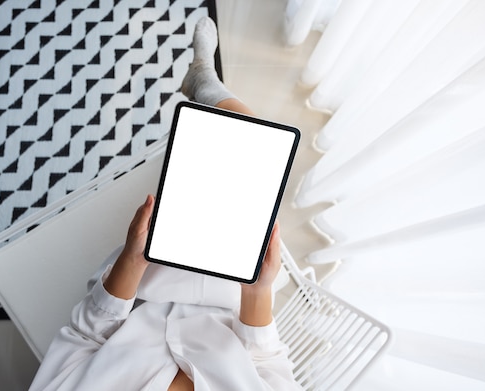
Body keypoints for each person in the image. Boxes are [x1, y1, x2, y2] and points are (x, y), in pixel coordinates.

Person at [29, 17, 300, 391]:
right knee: (255, 142)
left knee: (226, 152)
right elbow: (268, 363)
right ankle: (205, 86)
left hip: (143, 285)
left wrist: (132, 259)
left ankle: (205, 87)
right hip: (235, 294)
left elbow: (84, 336)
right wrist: (257, 290)